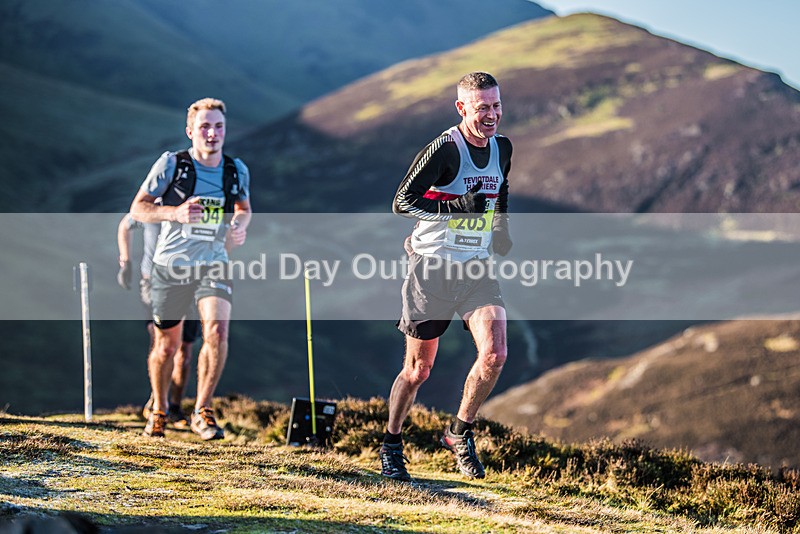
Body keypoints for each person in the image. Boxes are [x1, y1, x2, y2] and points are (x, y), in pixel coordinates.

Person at [383, 72, 513, 480]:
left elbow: (500, 188)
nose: (491, 115)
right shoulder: (444, 149)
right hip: (431, 268)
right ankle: (391, 442)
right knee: (418, 370)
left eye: (496, 106)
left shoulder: (503, 147)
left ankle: (460, 432)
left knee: (495, 354)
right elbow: (402, 203)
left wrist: (501, 229)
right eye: (482, 108)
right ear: (462, 108)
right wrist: (457, 206)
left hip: (476, 268)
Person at [130, 97, 251, 440]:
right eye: (204, 127)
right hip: (171, 265)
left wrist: (240, 225)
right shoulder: (172, 165)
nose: (212, 133)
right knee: (167, 348)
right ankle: (159, 409)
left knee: (217, 332)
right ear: (190, 131)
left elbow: (243, 207)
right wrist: (175, 213)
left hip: (214, 262)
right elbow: (138, 208)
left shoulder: (235, 170)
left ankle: (203, 410)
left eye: (218, 127)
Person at [116, 213, 202, 428]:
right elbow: (125, 226)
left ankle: (173, 407)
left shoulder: (193, 208)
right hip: (153, 282)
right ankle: (158, 405)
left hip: (190, 282)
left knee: (185, 351)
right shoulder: (151, 208)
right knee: (163, 344)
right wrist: (126, 261)